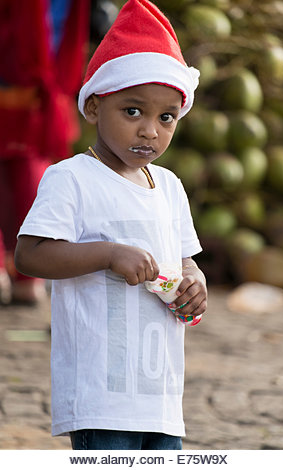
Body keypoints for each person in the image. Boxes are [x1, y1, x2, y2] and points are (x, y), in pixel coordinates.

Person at [15, 0, 207, 451]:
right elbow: (30, 253)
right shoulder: (71, 178)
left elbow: (185, 259)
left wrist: (194, 284)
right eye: (133, 111)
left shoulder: (169, 186)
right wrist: (108, 253)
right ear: (95, 108)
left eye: (166, 118)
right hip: (100, 394)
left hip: (161, 394)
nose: (150, 131)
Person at [0, 0, 90, 303]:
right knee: (29, 170)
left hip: (23, 74)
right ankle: (28, 278)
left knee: (25, 173)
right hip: (46, 78)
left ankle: (19, 273)